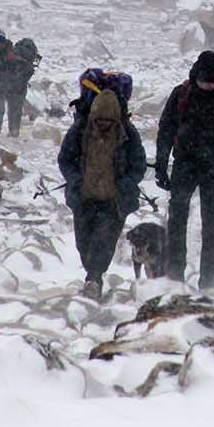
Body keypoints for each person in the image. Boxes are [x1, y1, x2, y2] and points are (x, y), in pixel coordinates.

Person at [154, 50, 214, 290]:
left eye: (212, 83)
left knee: (212, 228)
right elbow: (165, 130)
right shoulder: (182, 94)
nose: (208, 87)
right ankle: (174, 277)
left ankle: (208, 284)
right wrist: (161, 165)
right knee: (176, 222)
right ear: (195, 76)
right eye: (204, 82)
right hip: (185, 164)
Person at [58, 89, 146, 301]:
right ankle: (92, 274)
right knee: (84, 244)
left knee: (103, 241)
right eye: (99, 120)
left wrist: (124, 185)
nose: (103, 125)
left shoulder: (127, 133)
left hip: (114, 201)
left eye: (108, 121)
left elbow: (138, 165)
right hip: (84, 198)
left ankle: (94, 279)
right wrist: (77, 181)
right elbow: (65, 159)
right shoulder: (80, 131)